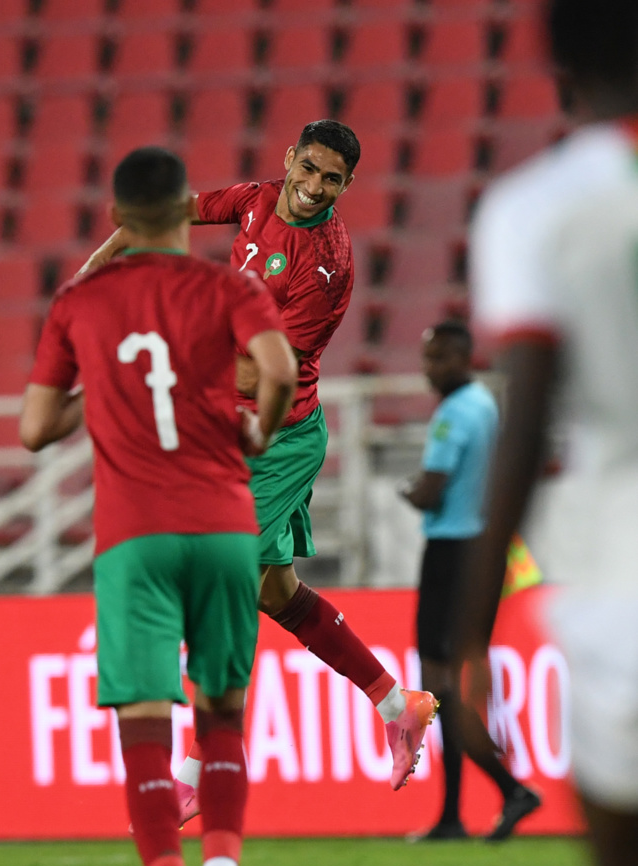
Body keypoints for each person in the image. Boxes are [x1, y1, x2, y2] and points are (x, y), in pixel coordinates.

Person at [82, 120, 438, 823]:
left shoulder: (323, 264)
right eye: (307, 169)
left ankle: (195, 771)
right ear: (289, 160)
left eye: (330, 180)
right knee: (276, 593)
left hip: (275, 434)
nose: (312, 188)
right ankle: (400, 703)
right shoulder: (255, 199)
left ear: (346, 187)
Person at [19, 146, 297, 866]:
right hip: (220, 525)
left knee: (144, 724)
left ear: (116, 218)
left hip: (132, 538)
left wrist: (96, 389)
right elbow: (279, 371)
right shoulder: (231, 288)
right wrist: (260, 433)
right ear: (187, 212)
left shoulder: (82, 302)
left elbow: (34, 430)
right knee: (222, 710)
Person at [462, 1, 638, 866]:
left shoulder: (532, 207)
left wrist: (465, 637)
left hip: (617, 576)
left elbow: (521, 428)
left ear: (554, 55)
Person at [401, 321, 541, 841]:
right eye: (427, 357)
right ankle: (458, 813)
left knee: (437, 686)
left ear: (463, 357)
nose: (429, 369)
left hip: (450, 554)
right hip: (478, 553)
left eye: (438, 358)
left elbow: (432, 491)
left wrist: (411, 491)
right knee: (449, 684)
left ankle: (501, 793)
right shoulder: (484, 405)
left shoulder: (454, 414)